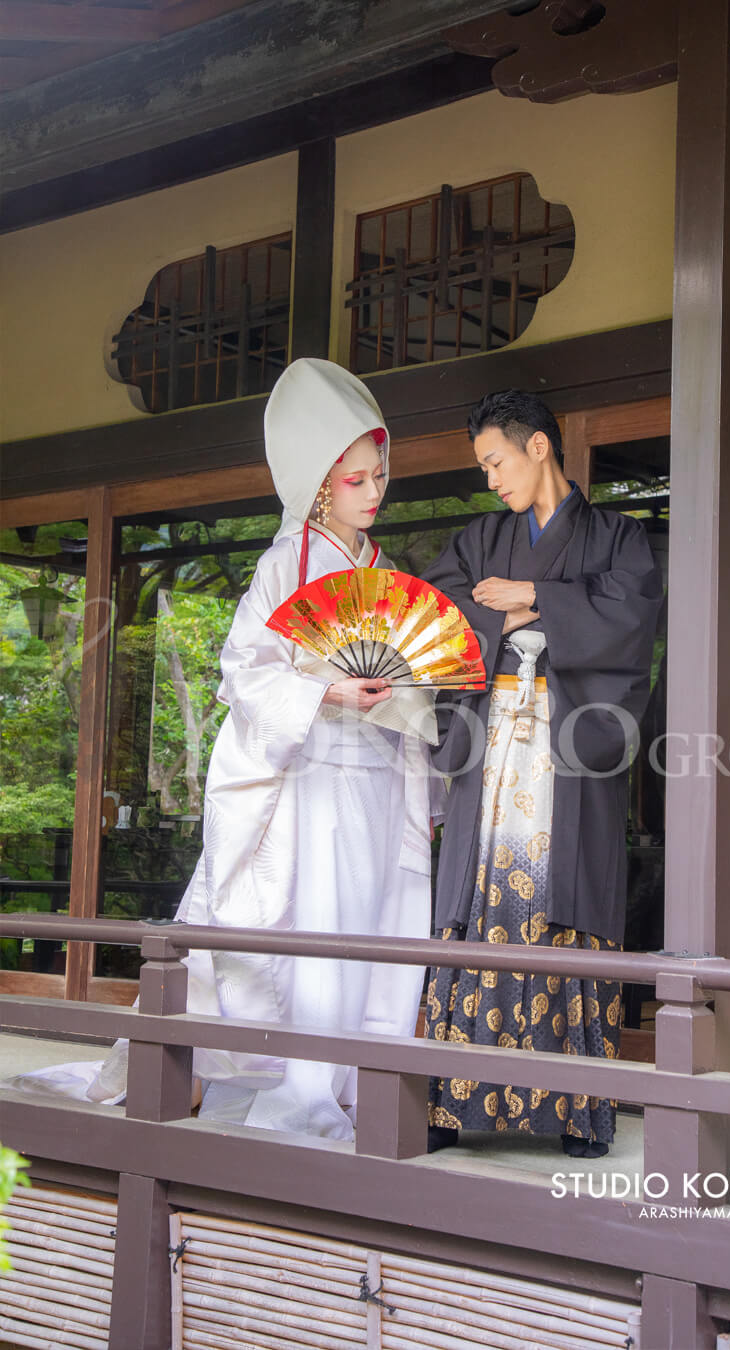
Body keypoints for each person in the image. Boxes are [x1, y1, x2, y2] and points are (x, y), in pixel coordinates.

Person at [9, 358, 441, 1140]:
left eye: (379, 476)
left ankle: (356, 1085)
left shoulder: (381, 572)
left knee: (373, 925)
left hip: (376, 773)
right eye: (355, 480)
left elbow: (416, 671)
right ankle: (302, 1087)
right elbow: (244, 670)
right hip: (312, 778)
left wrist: (400, 690)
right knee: (317, 932)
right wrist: (328, 693)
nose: (374, 492)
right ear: (319, 485)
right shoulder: (285, 566)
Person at [422, 390, 662, 1157]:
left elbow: (632, 618)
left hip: (569, 743)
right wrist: (518, 617)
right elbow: (437, 608)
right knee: (478, 894)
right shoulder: (480, 537)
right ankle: (456, 1101)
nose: (488, 478)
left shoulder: (620, 538)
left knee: (568, 903)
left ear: (538, 449)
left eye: (494, 461)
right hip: (491, 744)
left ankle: (578, 1109)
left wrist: (533, 596)